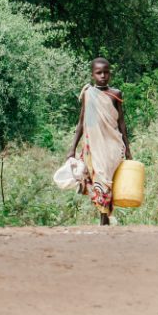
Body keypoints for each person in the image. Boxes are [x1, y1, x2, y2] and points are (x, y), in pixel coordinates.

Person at [67, 58, 131, 226]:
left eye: (106, 72)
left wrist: (128, 149)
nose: (103, 76)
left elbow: (121, 123)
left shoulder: (115, 94)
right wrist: (72, 149)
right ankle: (104, 218)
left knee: (105, 180)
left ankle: (104, 218)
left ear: (110, 73)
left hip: (112, 146)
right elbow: (83, 123)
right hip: (95, 146)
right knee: (100, 180)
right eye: (99, 73)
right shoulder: (89, 94)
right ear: (93, 74)